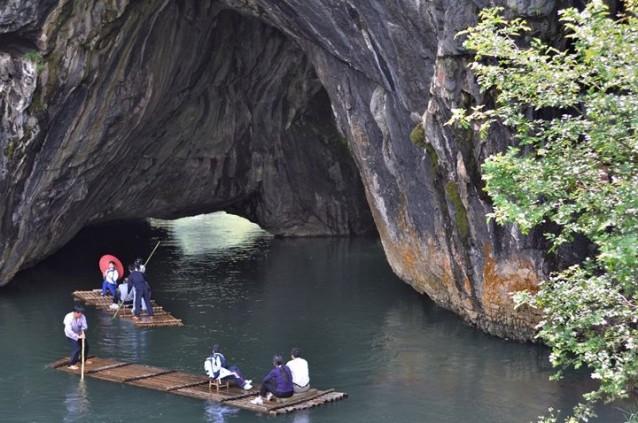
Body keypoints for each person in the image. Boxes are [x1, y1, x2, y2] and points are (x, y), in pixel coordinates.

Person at [63, 304, 91, 369]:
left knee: (86, 347)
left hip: (79, 333)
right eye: (79, 313)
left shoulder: (82, 316)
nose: (80, 314)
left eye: (81, 313)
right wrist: (77, 336)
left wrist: (82, 331)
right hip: (71, 335)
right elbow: (68, 330)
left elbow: (84, 325)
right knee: (77, 349)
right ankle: (70, 364)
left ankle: (83, 360)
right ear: (75, 312)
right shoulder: (68, 317)